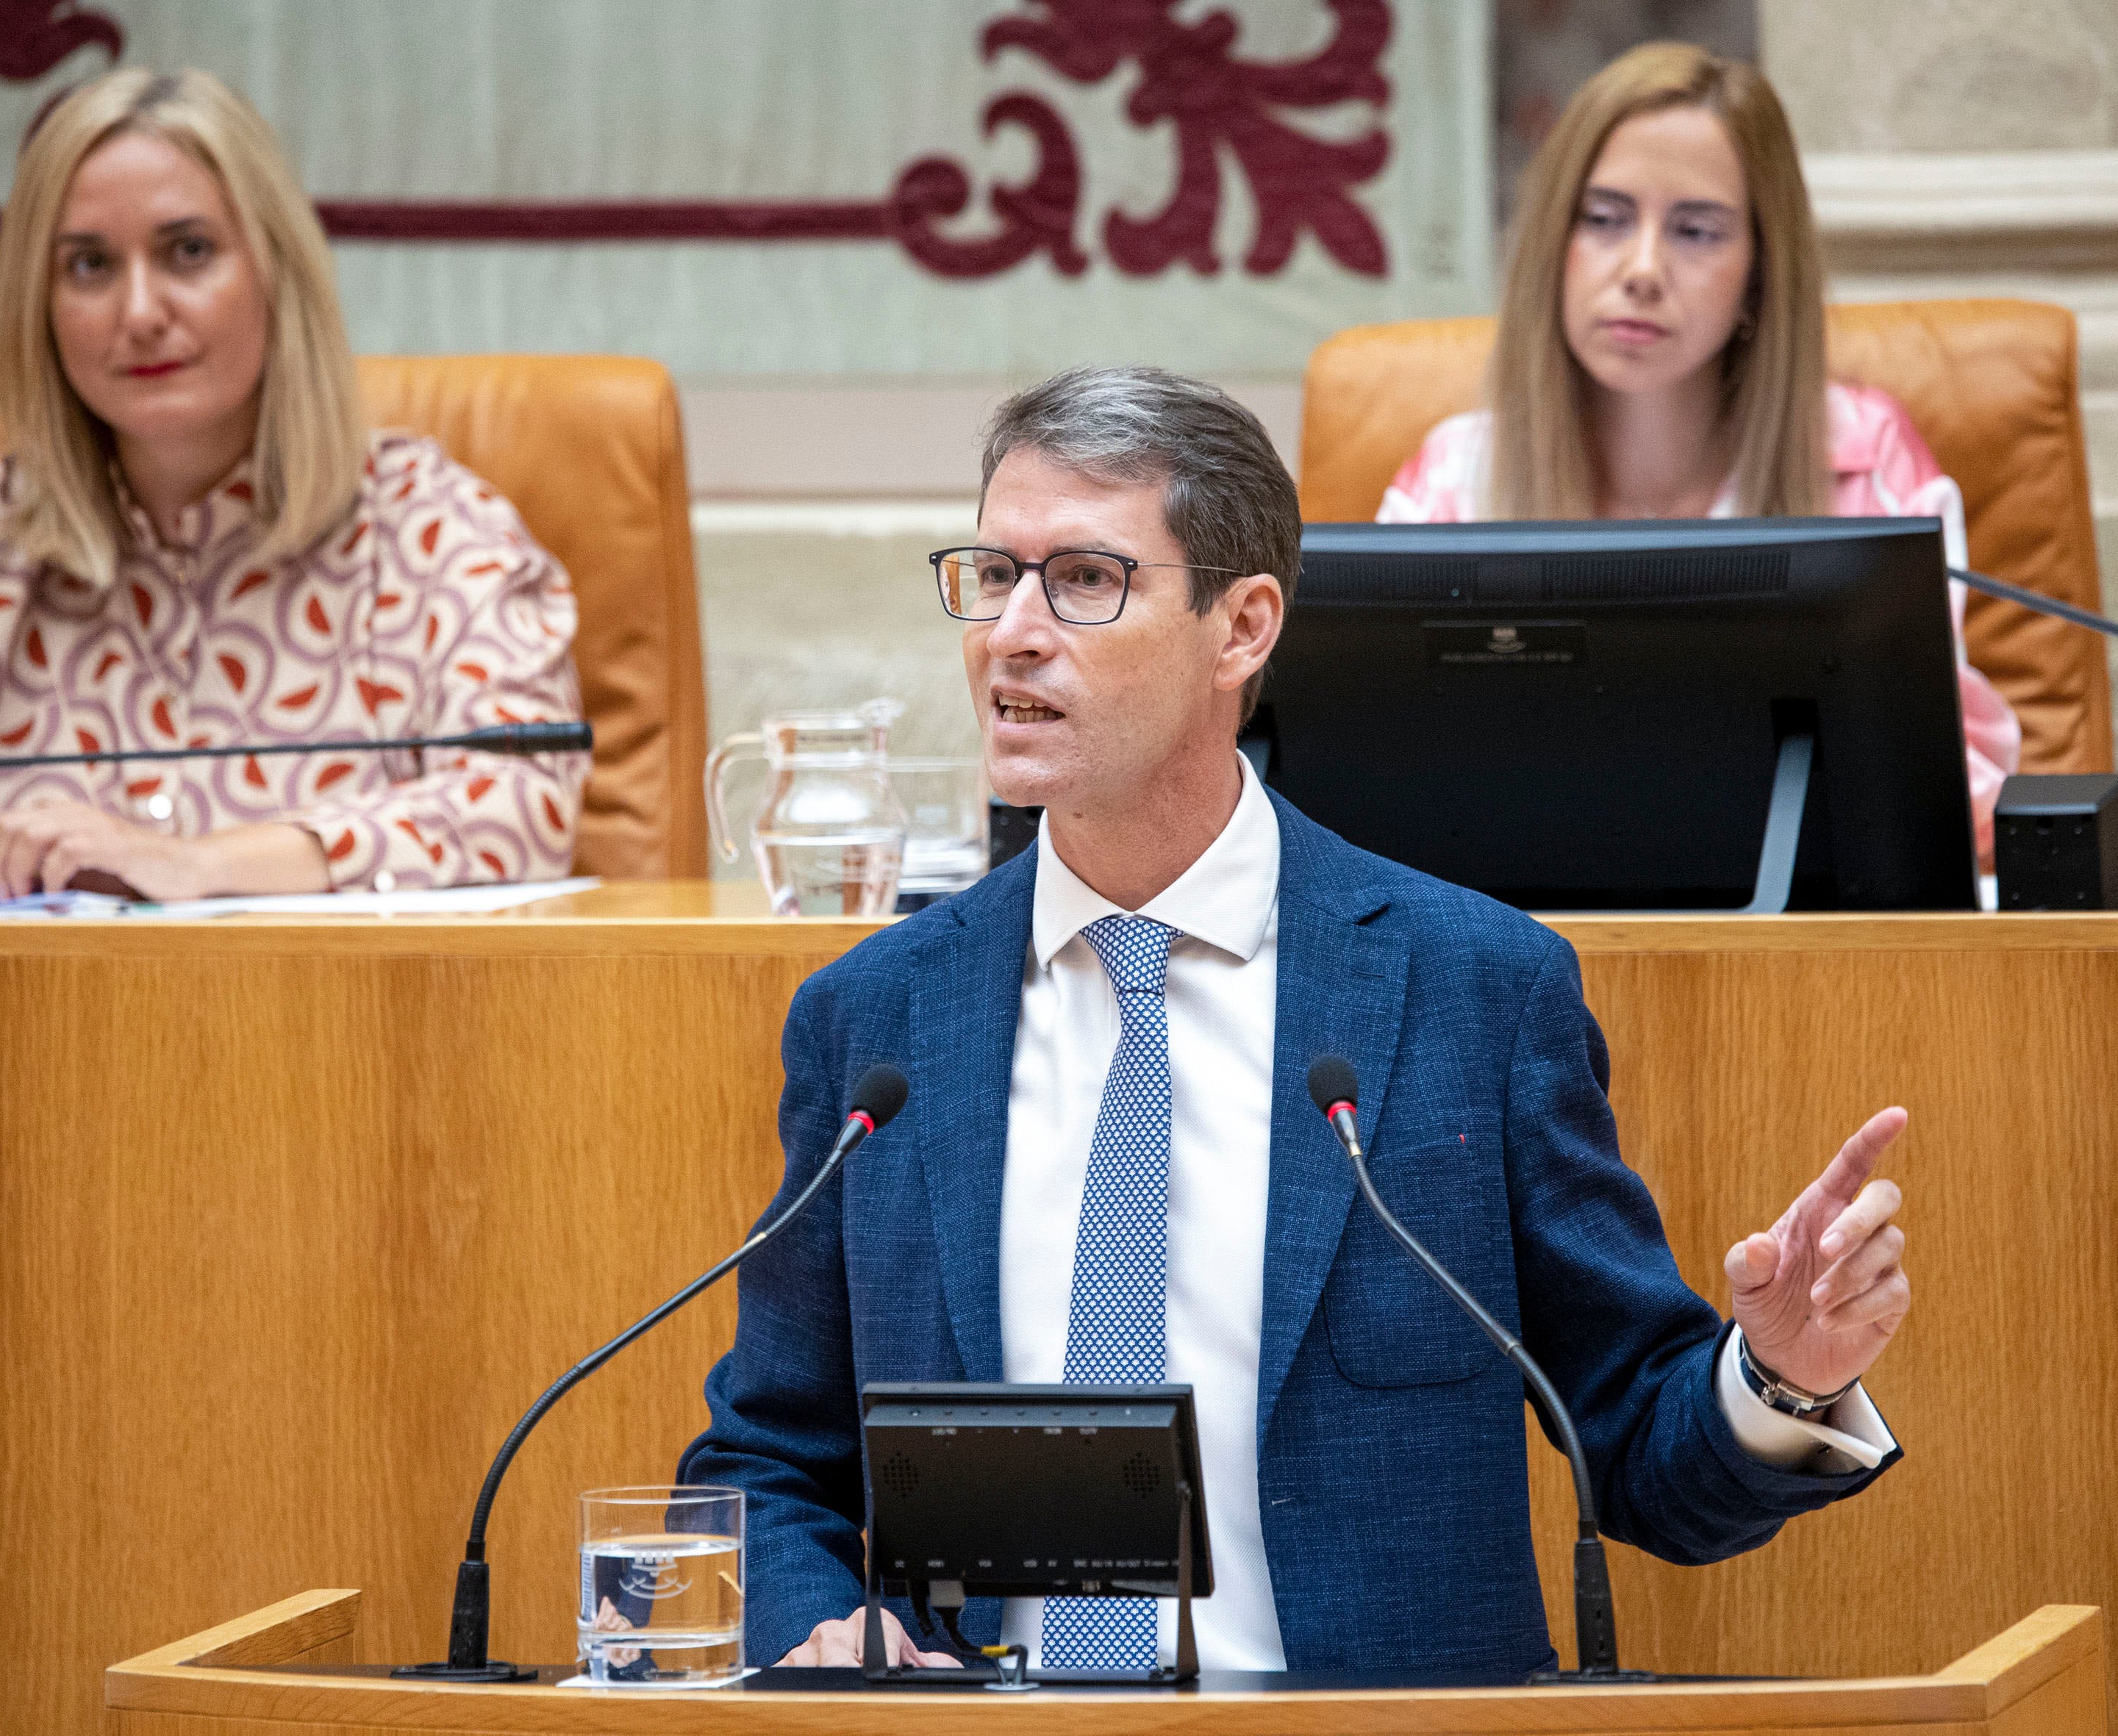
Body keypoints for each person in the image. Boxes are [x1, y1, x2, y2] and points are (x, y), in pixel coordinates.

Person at [683, 366, 1911, 1677]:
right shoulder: (876, 1026)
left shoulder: (1470, 993)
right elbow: (768, 1458)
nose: (1013, 631)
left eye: (1084, 580)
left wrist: (1776, 1372)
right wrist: (828, 1625)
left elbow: (1636, 1443)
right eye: (992, 574)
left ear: (1242, 626)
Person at [0, 68, 585, 909]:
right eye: (89, 265)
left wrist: (196, 864)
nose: (140, 311)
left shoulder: (434, 531)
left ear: (276, 270)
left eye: (189, 250)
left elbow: (523, 804)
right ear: (38, 306)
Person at [1381, 43, 2020, 864]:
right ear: (1553, 248)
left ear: (1760, 271)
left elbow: (1935, 783)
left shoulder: (1869, 466)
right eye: (1604, 219)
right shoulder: (1451, 480)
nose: (1641, 269)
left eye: (1696, 231)